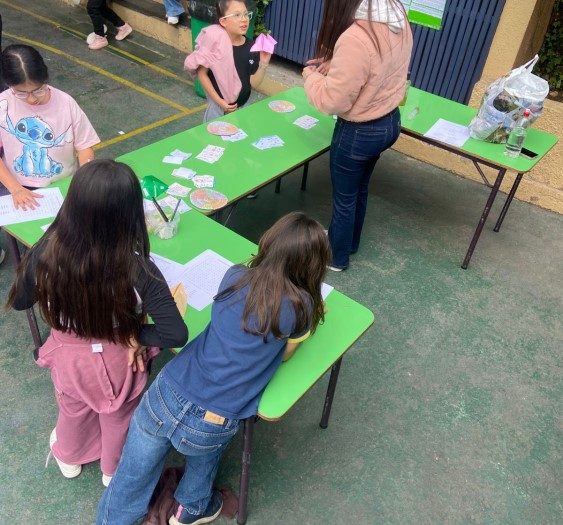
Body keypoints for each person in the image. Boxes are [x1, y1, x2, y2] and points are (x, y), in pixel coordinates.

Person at [96, 212, 330, 525]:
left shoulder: (235, 275)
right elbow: (286, 354)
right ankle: (191, 508)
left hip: (168, 391)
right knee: (206, 452)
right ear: (313, 265)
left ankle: (112, 519)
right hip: (214, 418)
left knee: (131, 474)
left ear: (270, 242)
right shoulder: (301, 306)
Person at [7, 160, 189, 487]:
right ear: (130, 213)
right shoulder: (140, 270)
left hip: (70, 361)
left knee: (72, 409)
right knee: (119, 415)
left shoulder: (46, 254)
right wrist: (135, 334)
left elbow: (21, 301)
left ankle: (69, 457)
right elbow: (175, 333)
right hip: (121, 361)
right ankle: (111, 470)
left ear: (71, 206)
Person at [303, 0, 413, 271]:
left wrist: (310, 77)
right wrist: (336, 63)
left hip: (359, 132)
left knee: (344, 198)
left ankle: (336, 257)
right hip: (389, 122)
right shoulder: (396, 15)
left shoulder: (355, 37)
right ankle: (349, 242)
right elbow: (378, 64)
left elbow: (332, 102)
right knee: (359, 188)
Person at [0, 45, 100, 210]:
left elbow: (84, 147)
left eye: (38, 90)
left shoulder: (66, 103)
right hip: (16, 185)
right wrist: (15, 189)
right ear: (8, 84)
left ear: (45, 79)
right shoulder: (3, 104)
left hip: (65, 183)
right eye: (21, 93)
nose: (32, 99)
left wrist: (85, 181)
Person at [184, 0, 272, 122]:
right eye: (237, 15)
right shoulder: (215, 42)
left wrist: (264, 63)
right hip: (218, 109)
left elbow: (253, 84)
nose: (244, 19)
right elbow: (202, 74)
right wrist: (220, 102)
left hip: (243, 108)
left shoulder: (252, 47)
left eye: (246, 14)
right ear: (223, 21)